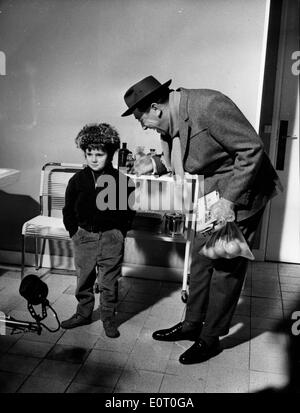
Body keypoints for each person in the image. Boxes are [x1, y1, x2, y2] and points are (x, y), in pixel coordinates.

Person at [121, 75, 281, 363]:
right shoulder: (175, 118)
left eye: (142, 119)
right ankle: (192, 324)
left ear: (156, 108)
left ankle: (211, 339)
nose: (144, 126)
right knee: (200, 260)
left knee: (225, 268)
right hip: (213, 193)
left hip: (243, 192)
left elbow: (251, 149)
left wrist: (229, 200)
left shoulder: (208, 105)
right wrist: (155, 162)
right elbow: (187, 155)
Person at [61, 123, 135, 338]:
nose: (94, 158)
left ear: (110, 154)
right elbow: (68, 210)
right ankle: (83, 313)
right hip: (84, 236)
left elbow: (129, 212)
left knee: (109, 282)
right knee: (84, 278)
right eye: (89, 153)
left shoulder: (123, 182)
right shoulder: (77, 181)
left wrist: (120, 232)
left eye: (99, 154)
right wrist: (74, 232)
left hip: (112, 237)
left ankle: (108, 318)